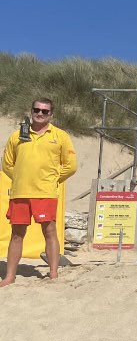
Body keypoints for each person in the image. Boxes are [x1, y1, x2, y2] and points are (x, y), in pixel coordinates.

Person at [2, 98, 77, 286]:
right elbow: (7, 164)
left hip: (45, 193)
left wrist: (52, 179)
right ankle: (10, 277)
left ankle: (53, 274)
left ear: (51, 114)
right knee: (17, 235)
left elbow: (71, 166)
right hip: (20, 193)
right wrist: (20, 178)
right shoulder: (17, 135)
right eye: (37, 110)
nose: (40, 113)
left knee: (49, 231)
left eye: (45, 111)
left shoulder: (60, 136)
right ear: (31, 111)